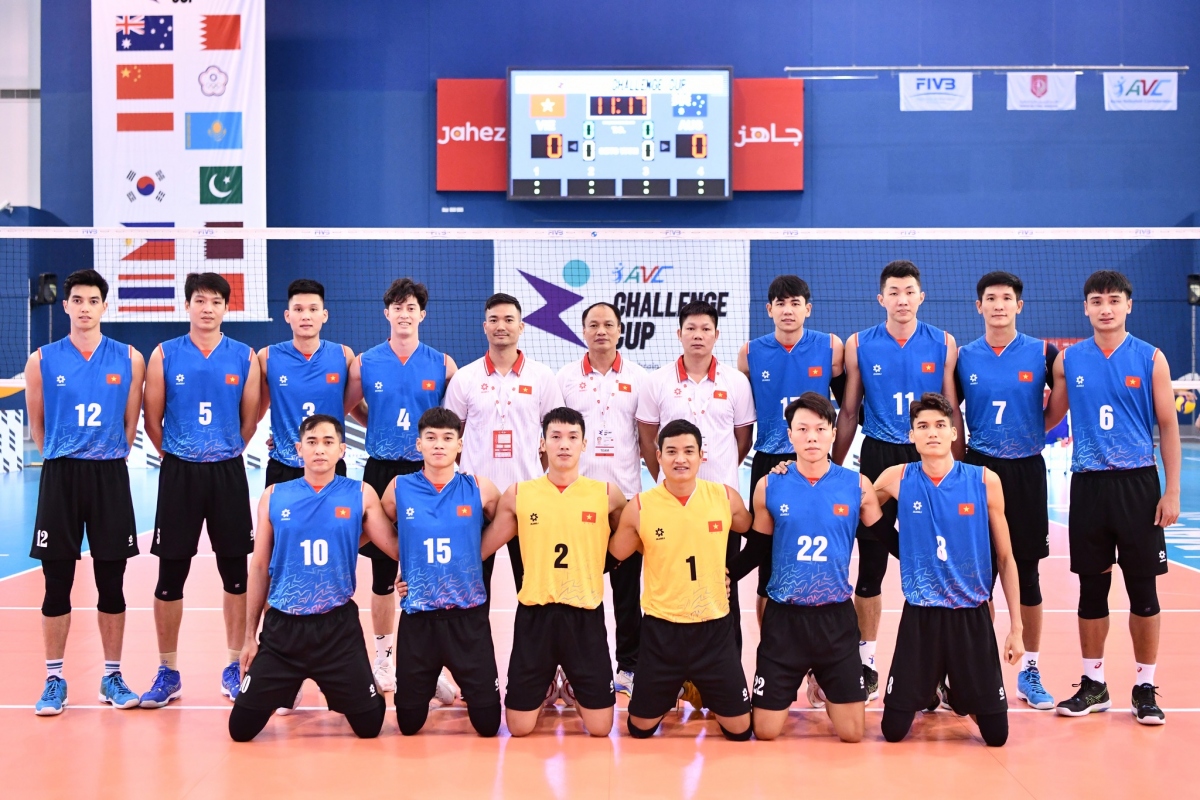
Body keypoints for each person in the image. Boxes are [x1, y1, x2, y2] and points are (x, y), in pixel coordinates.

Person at [1045, 270, 1179, 725]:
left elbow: (1168, 427)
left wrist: (1171, 490)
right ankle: (1094, 684)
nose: (1106, 308)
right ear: (1085, 308)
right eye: (1097, 301)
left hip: (1138, 485)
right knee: (1091, 589)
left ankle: (1145, 687)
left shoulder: (1151, 358)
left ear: (1128, 305)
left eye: (1114, 300)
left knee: (1143, 589)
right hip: (1088, 485)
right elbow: (1050, 418)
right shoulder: (1069, 360)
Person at [832, 260, 962, 700]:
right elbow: (849, 412)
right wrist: (834, 468)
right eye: (894, 292)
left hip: (929, 456)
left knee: (939, 562)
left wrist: (960, 471)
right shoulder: (859, 344)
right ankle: (866, 662)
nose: (902, 299)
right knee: (871, 564)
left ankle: (943, 667)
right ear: (881, 298)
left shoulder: (943, 343)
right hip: (878, 454)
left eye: (909, 292)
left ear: (921, 297)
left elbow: (951, 413)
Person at [229, 415, 396, 742]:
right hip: (283, 630)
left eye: (328, 442)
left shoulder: (360, 494)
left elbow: (394, 547)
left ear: (342, 450)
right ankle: (285, 685)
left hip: (336, 629)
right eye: (312, 442)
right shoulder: (274, 496)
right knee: (241, 729)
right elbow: (259, 567)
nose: (320, 449)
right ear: (298, 449)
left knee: (369, 726)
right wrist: (249, 637)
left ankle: (355, 682)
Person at [26, 269, 146, 715]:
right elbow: (38, 425)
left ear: (104, 307)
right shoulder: (41, 359)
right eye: (77, 300)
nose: (84, 308)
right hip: (61, 476)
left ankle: (111, 676)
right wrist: (64, 454)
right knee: (56, 582)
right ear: (66, 306)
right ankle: (54, 679)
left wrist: (106, 454)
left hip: (109, 475)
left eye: (93, 300)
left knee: (111, 581)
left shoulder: (129, 358)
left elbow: (130, 424)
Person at [873, 393, 1023, 747]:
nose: (932, 433)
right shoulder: (897, 478)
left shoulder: (984, 480)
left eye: (940, 425)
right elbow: (857, 504)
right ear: (911, 435)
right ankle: (930, 686)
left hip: (970, 615)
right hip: (921, 615)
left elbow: (1006, 558)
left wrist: (1016, 629)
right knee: (893, 732)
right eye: (923, 426)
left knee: (997, 737)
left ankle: (953, 687)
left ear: (954, 433)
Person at [140, 273, 260, 708]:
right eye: (199, 300)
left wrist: (221, 451)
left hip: (227, 472)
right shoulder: (164, 354)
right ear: (187, 305)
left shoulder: (244, 356)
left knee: (235, 574)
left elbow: (249, 421)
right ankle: (167, 671)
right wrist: (179, 455)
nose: (207, 308)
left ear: (227, 307)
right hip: (180, 474)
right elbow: (152, 419)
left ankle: (234, 665)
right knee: (170, 576)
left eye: (215, 301)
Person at [740, 393, 882, 742]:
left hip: (835, 619)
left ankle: (823, 681)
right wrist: (724, 574)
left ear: (833, 433)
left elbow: (886, 539)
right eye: (802, 429)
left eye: (820, 428)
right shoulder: (769, 485)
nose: (812, 437)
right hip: (785, 620)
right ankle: (803, 677)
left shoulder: (857, 486)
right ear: (790, 435)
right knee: (766, 731)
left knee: (852, 733)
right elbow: (756, 549)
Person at [480, 407, 625, 736]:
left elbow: (632, 539)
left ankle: (570, 685)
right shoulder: (519, 494)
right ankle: (548, 684)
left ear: (584, 444)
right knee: (519, 728)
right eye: (556, 436)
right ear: (542, 443)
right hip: (536, 616)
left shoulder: (606, 494)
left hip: (584, 616)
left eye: (573, 437)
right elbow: (482, 550)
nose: (564, 444)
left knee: (601, 728)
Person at [344, 277, 457, 694]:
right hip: (379, 471)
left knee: (430, 568)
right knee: (381, 573)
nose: (404, 314)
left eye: (411, 308)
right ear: (386, 313)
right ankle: (384, 657)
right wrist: (372, 423)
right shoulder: (366, 362)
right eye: (397, 307)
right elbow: (345, 406)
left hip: (426, 475)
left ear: (422, 315)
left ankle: (433, 661)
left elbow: (452, 420)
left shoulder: (443, 364)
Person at [610, 419, 754, 741]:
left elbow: (757, 534)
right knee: (639, 729)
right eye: (672, 451)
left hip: (714, 629)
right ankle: (676, 686)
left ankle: (698, 685)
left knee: (740, 730)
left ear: (702, 455)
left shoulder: (725, 497)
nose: (680, 459)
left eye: (689, 451)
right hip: (662, 630)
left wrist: (732, 572)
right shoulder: (640, 506)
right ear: (658, 456)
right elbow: (613, 556)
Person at [955, 271, 1060, 709]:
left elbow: (1055, 410)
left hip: (1026, 472)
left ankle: (1029, 670)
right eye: (991, 298)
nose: (998, 305)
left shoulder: (1043, 353)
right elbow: (951, 412)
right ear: (978, 306)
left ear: (1019, 305)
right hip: (979, 471)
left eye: (1006, 298)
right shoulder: (962, 357)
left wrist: (1031, 432)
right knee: (974, 577)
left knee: (1027, 574)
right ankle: (971, 670)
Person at [636, 301, 755, 647]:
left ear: (717, 335)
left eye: (705, 329)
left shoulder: (736, 382)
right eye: (691, 328)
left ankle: (728, 663)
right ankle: (669, 662)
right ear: (679, 333)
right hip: (671, 506)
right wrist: (671, 483)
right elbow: (648, 440)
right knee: (670, 583)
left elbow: (743, 440)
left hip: (719, 505)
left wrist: (715, 478)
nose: (698, 335)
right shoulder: (656, 380)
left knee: (724, 586)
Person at [381, 407, 503, 737]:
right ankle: (432, 678)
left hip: (468, 618)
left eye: (448, 438)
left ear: (459, 445)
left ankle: (449, 677)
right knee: (409, 725)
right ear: (418, 444)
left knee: (489, 725)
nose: (439, 444)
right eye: (431, 438)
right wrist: (410, 561)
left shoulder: (480, 488)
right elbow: (374, 527)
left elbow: (508, 524)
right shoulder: (399, 488)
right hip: (419, 620)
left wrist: (474, 555)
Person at [738, 275, 844, 627]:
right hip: (769, 460)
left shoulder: (831, 347)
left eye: (795, 303)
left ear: (807, 309)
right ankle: (769, 647)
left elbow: (846, 411)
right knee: (767, 562)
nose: (788, 310)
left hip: (813, 460)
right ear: (769, 309)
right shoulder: (749, 354)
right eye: (780, 303)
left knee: (819, 556)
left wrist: (836, 460)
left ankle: (817, 652)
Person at [556, 301, 650, 696]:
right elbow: (554, 438)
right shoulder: (564, 378)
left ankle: (629, 667)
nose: (601, 331)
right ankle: (570, 669)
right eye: (593, 324)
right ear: (583, 331)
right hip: (578, 503)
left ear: (620, 330)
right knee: (575, 591)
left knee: (627, 595)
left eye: (608, 325)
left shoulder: (640, 378)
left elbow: (647, 438)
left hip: (625, 503)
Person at [445, 293, 564, 595]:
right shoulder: (465, 377)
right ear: (484, 326)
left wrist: (535, 472)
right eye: (494, 320)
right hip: (475, 500)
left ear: (521, 327)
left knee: (533, 590)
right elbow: (452, 437)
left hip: (528, 498)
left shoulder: (542, 376)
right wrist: (471, 474)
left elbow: (555, 435)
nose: (501, 326)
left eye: (509, 320)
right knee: (472, 590)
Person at [256, 278, 355, 487]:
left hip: (331, 467)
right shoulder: (267, 357)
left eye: (313, 309)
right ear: (287, 315)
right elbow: (257, 411)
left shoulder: (344, 356)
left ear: (324, 315)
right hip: (284, 467)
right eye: (298, 309)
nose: (306, 316)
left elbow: (352, 404)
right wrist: (279, 433)